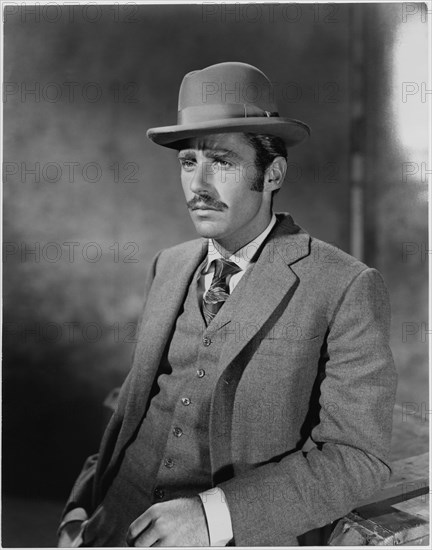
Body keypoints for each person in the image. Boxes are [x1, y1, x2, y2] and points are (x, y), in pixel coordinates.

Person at [58, 62, 397, 547]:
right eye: (188, 163)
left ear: (273, 172)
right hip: (110, 521)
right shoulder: (169, 266)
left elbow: (357, 457)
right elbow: (132, 406)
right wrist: (80, 507)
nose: (198, 186)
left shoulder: (345, 285)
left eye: (221, 161)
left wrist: (212, 515)